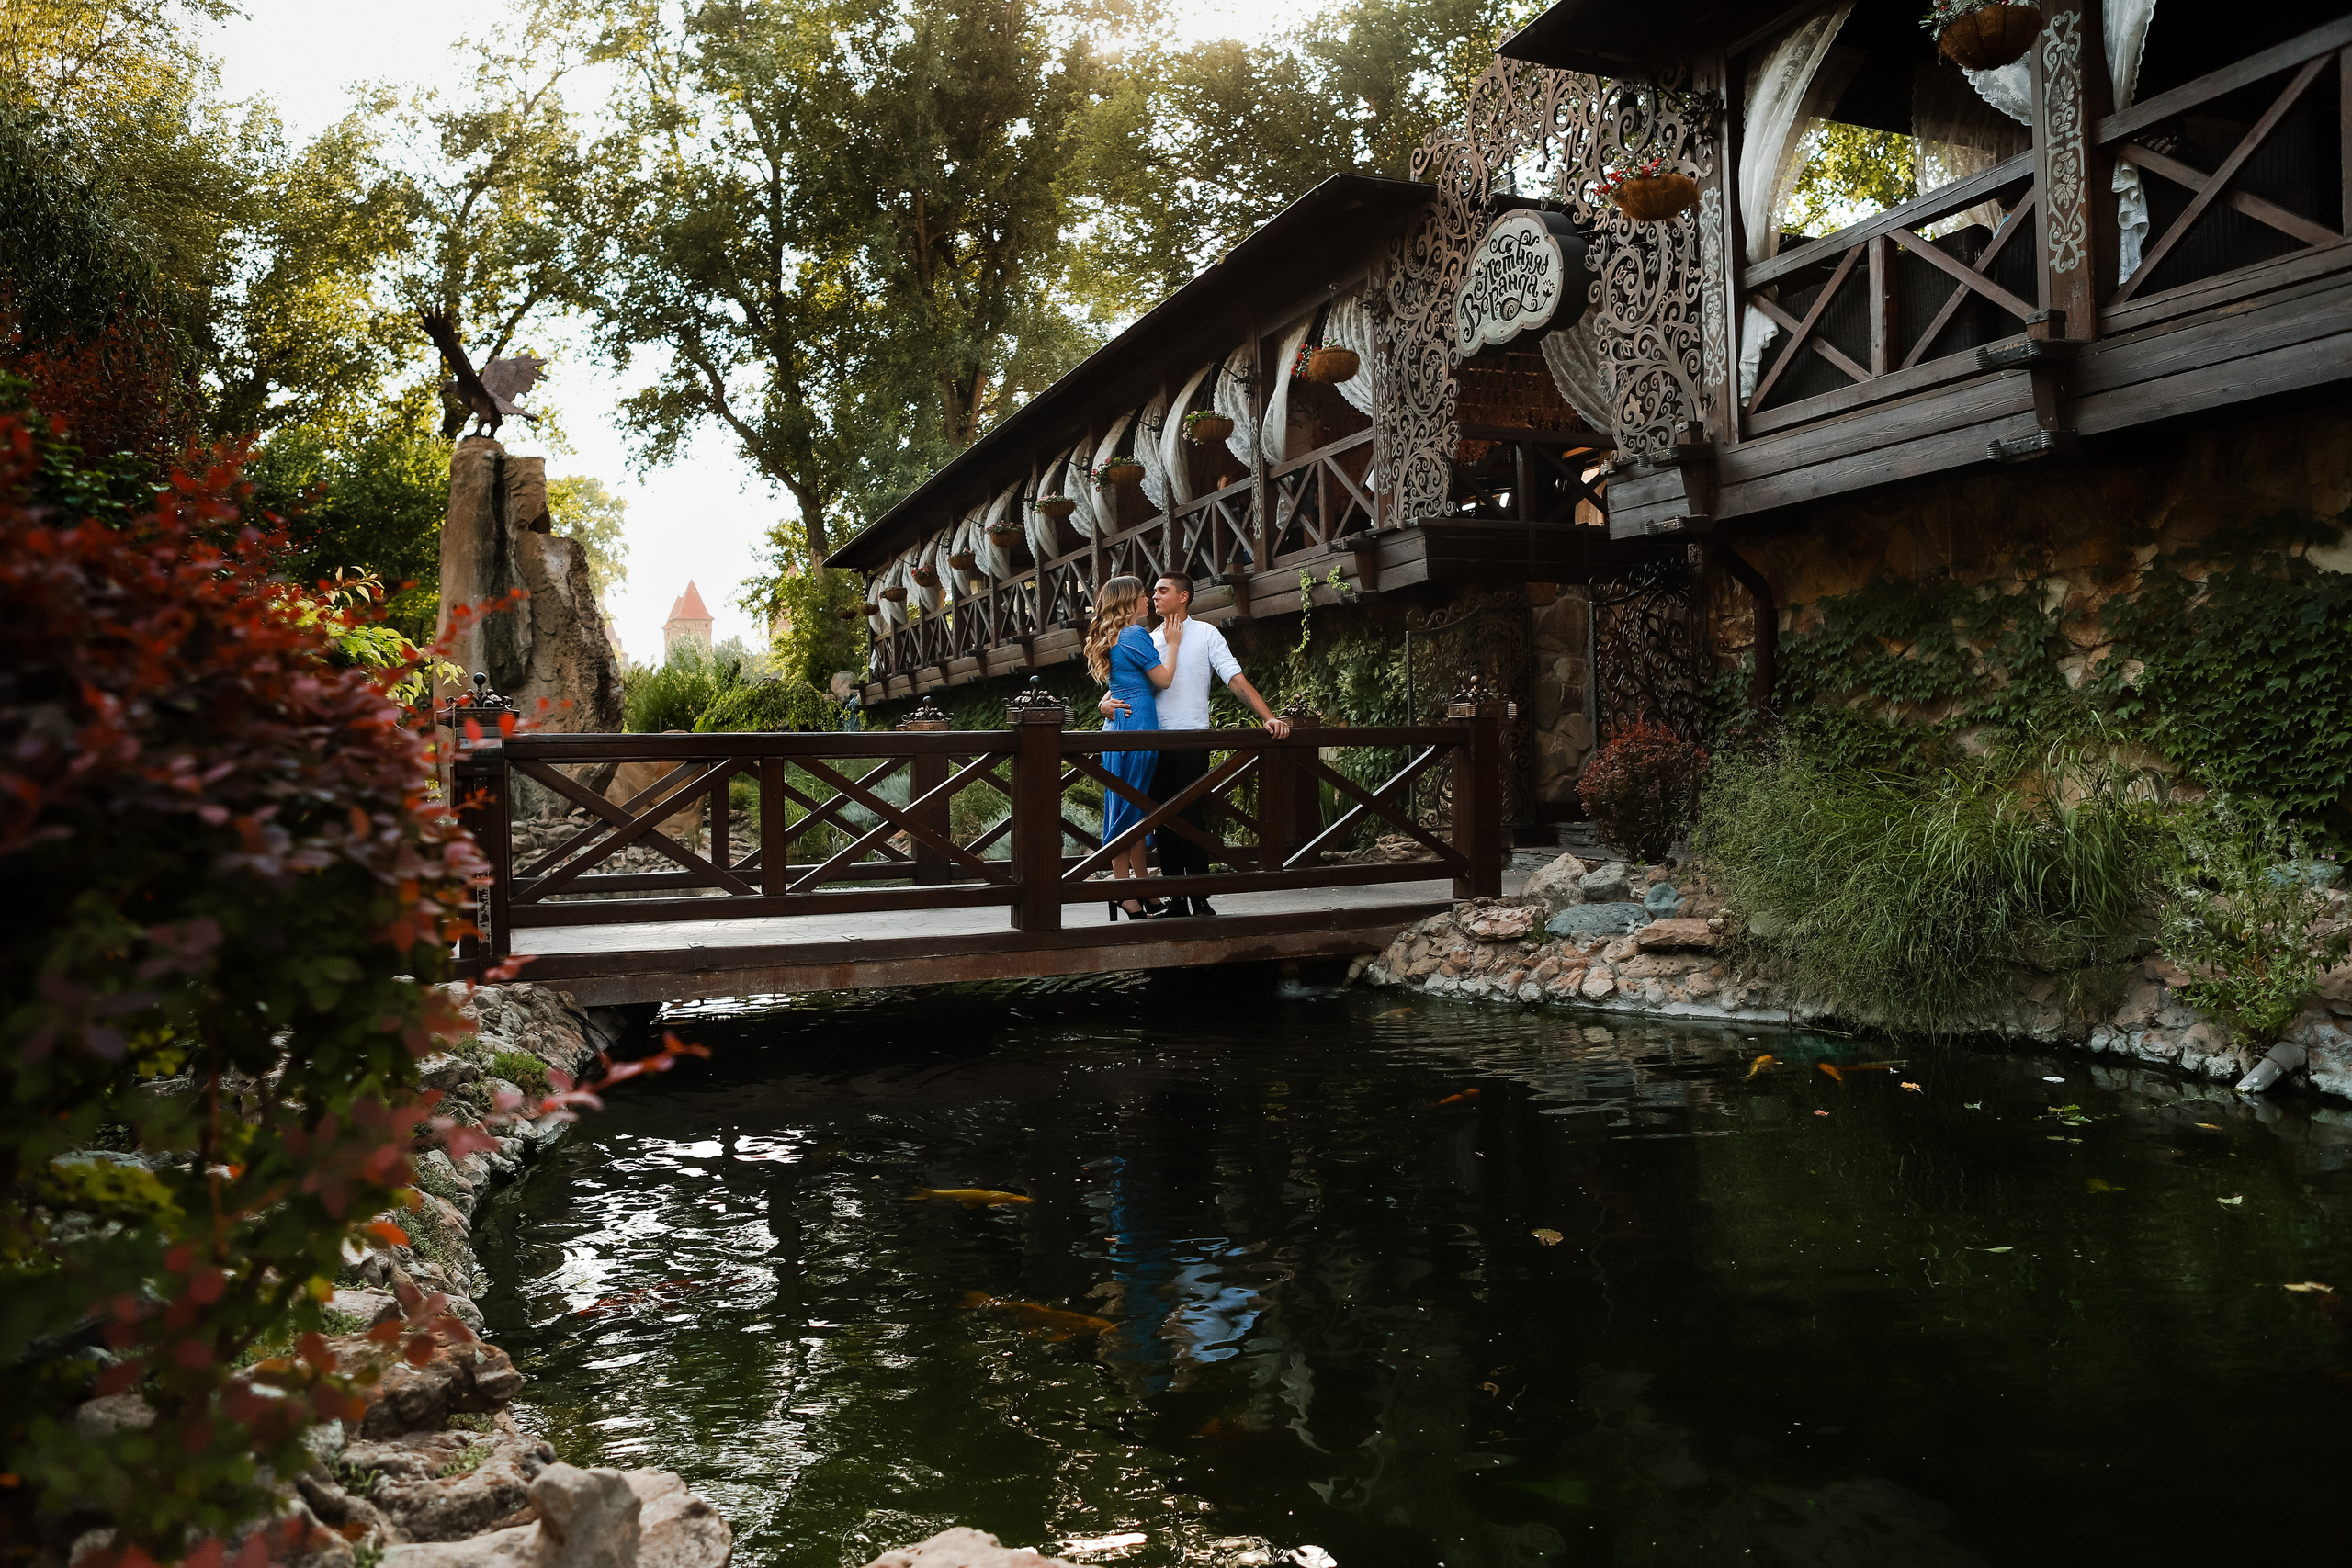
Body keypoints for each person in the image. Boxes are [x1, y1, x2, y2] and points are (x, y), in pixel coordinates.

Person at [1102, 572, 1292, 919]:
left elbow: (1233, 676)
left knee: (1192, 819)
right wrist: (1104, 705)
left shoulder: (1206, 633)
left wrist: (1268, 716)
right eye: (1152, 592)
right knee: (1161, 822)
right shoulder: (1149, 636)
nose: (1154, 597)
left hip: (1193, 739)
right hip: (1153, 739)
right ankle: (1174, 898)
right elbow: (1121, 682)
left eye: (1163, 591)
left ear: (1184, 596)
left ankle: (1200, 896)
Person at [1081, 575, 1180, 920]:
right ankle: (1122, 889)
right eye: (1142, 596)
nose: (1147, 601)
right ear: (1128, 601)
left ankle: (1139, 886)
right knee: (1129, 810)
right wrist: (1173, 642)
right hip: (1135, 725)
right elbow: (1164, 680)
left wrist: (1101, 705)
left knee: (1131, 806)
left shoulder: (1113, 636)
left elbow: (1117, 685)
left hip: (1119, 724)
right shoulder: (1135, 634)